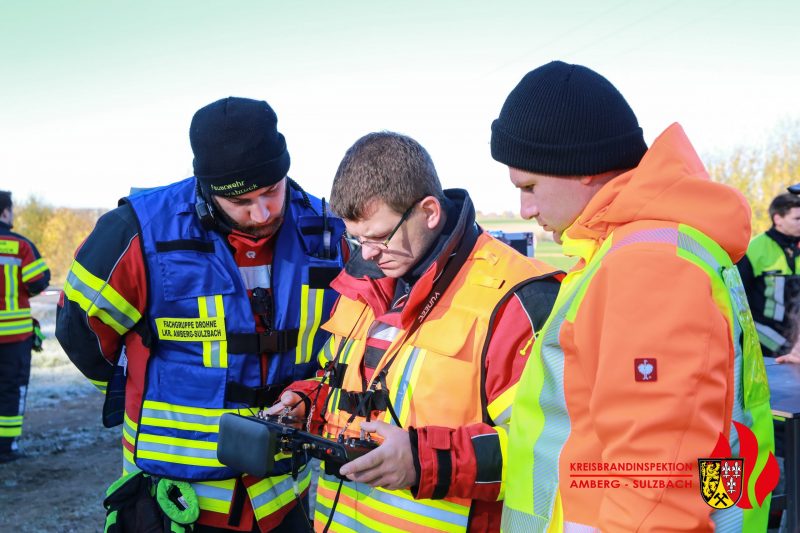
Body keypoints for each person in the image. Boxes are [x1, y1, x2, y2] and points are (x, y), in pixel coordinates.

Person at [490, 61, 775, 531]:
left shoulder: (647, 264)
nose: (526, 209)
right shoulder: (645, 249)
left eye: (530, 187)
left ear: (579, 167)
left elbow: (657, 484)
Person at [55, 97, 346, 532]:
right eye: (243, 201)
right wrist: (140, 387)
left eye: (272, 191)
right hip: (177, 501)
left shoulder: (326, 232)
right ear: (208, 189)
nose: (263, 213)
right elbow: (80, 330)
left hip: (284, 498)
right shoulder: (138, 230)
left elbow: (343, 342)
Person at [269, 131, 562, 532]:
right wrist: (305, 400)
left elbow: (548, 451)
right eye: (355, 239)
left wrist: (424, 460)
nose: (367, 253)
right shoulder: (364, 279)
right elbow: (333, 379)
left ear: (429, 212)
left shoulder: (519, 299)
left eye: (378, 237)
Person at [0, 190, 50, 463]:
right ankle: (6, 448)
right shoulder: (19, 245)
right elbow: (38, 281)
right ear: (5, 212)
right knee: (11, 388)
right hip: (13, 337)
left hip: (16, 335)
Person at [737, 193, 800, 361]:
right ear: (778, 219)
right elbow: (739, 301)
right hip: (765, 341)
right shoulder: (754, 249)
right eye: (797, 219)